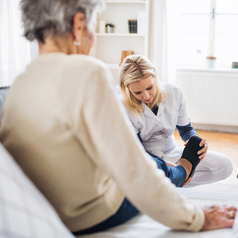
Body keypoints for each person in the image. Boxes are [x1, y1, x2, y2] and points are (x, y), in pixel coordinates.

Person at [0, 0, 236, 236]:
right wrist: (195, 217)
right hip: (97, 213)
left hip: (54, 211)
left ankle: (179, 171)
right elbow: (134, 168)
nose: (92, 39)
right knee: (150, 164)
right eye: (92, 27)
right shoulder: (87, 71)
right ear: (79, 24)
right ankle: (182, 173)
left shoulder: (20, 84)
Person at [119, 55, 233, 188]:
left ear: (155, 75)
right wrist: (170, 168)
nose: (146, 96)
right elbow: (137, 150)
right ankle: (174, 179)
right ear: (127, 88)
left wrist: (196, 142)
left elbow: (186, 130)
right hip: (146, 160)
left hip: (174, 153)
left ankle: (174, 182)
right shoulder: (121, 106)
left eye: (149, 87)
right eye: (138, 92)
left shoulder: (174, 93)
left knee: (225, 165)